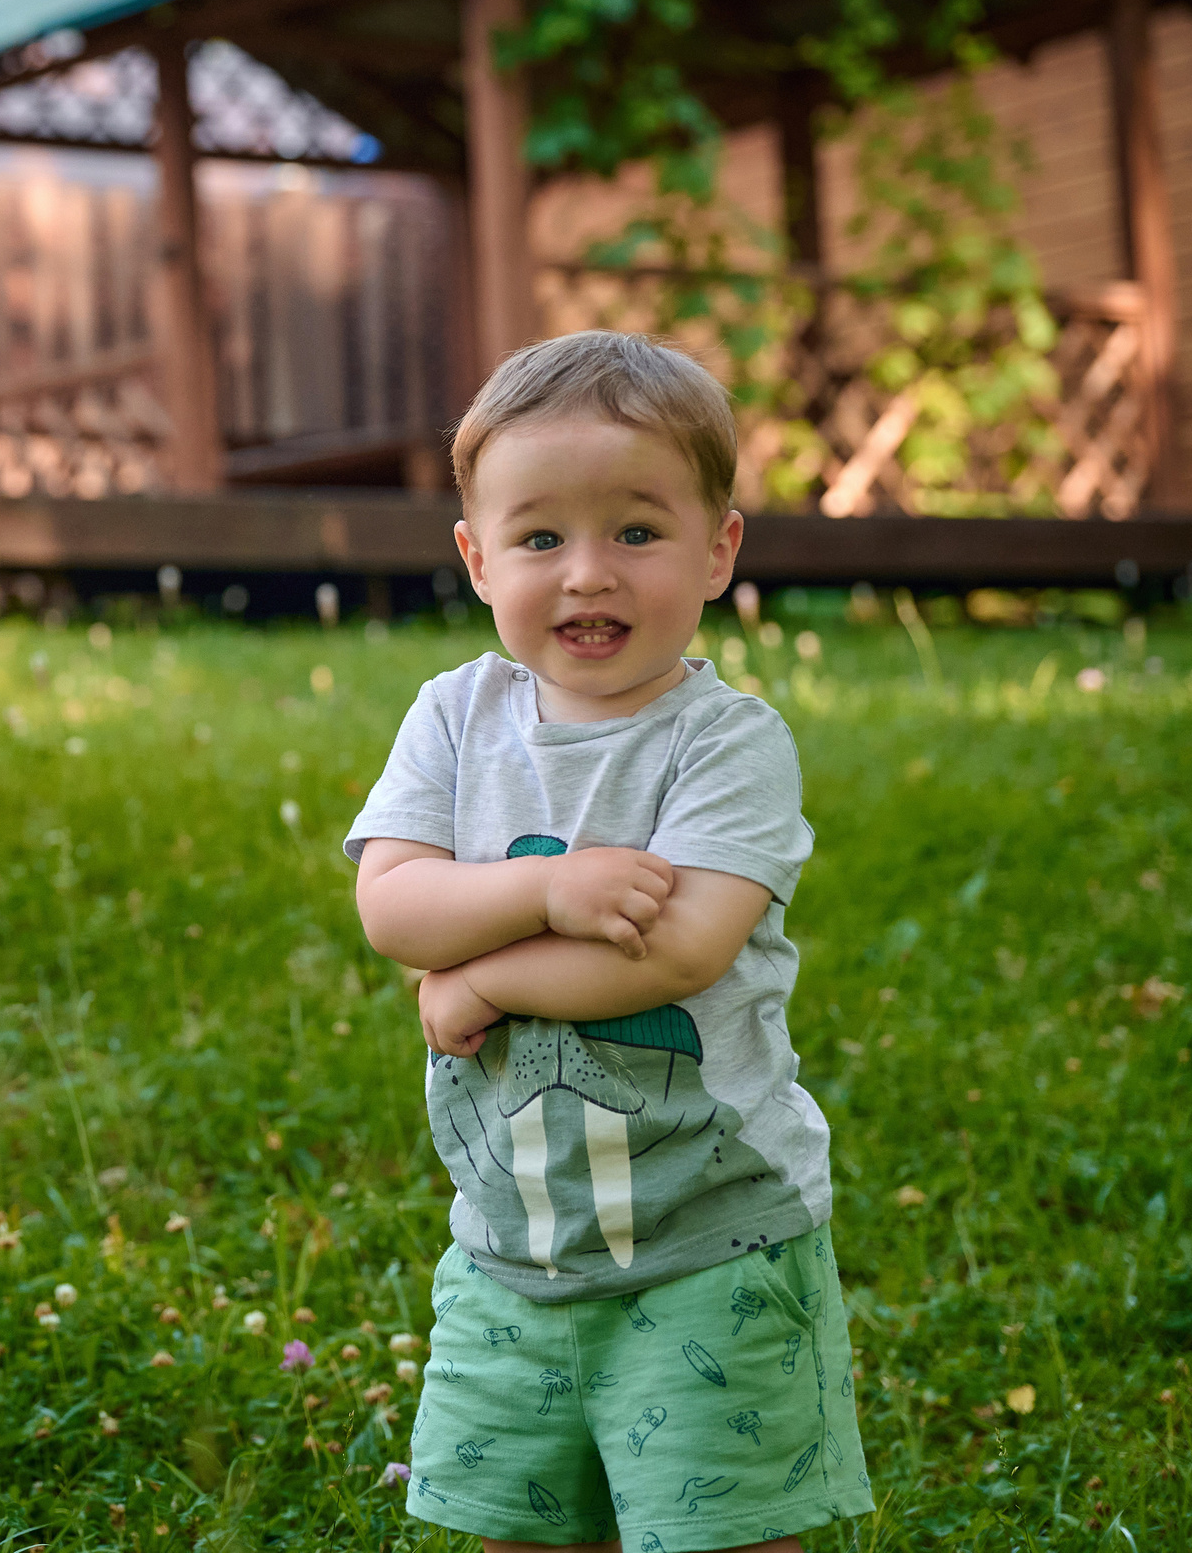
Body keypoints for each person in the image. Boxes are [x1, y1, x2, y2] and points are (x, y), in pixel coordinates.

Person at [345, 332, 872, 1553]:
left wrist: (473, 975)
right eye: (540, 539)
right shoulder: (453, 715)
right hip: (508, 1250)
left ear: (718, 548)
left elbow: (679, 952)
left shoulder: (725, 742)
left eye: (635, 533)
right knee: (513, 1531)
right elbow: (390, 907)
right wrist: (551, 893)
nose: (587, 575)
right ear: (477, 558)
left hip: (712, 1242)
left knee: (727, 1532)